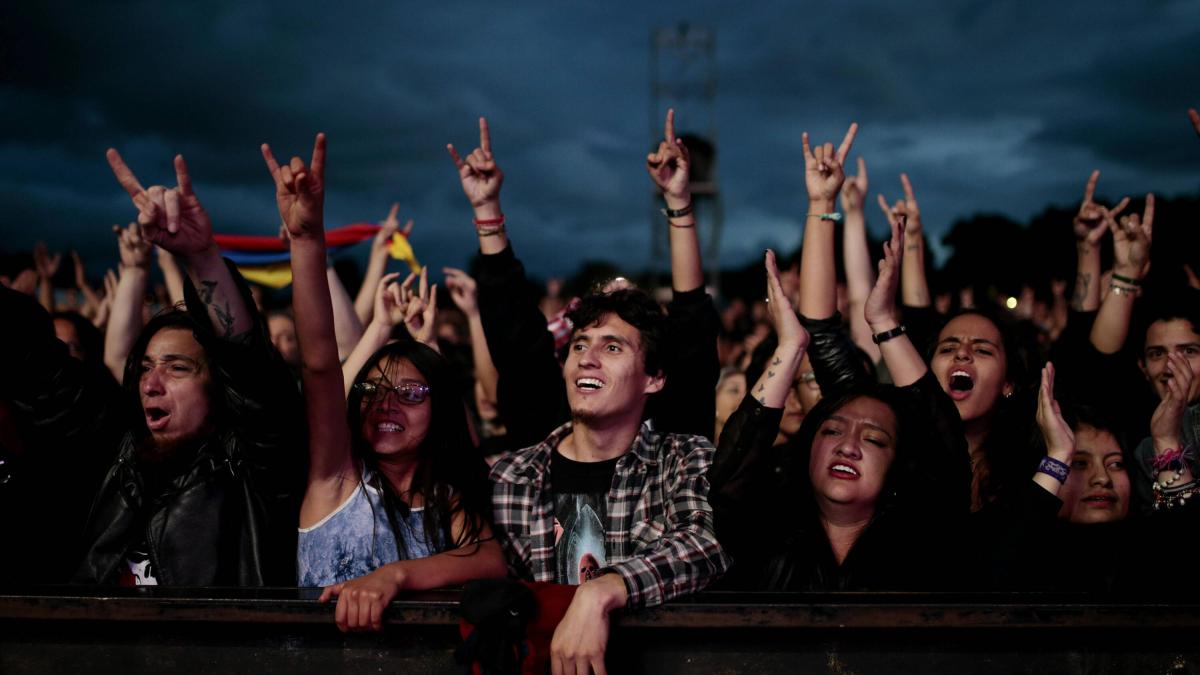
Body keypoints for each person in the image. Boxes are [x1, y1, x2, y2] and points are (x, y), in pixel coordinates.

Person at [1, 149, 304, 586]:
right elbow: (42, 373)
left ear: (216, 387)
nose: (152, 383)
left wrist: (202, 259)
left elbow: (248, 366)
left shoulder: (252, 469)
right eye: (144, 368)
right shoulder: (114, 457)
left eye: (177, 368)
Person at [259, 134, 505, 632]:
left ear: (440, 411)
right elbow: (321, 364)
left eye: (411, 394)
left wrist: (395, 576)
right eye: (372, 391)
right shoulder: (337, 478)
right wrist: (307, 241)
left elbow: (490, 561)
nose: (386, 404)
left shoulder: (445, 501)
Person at [489, 285, 729, 675]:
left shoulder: (683, 460)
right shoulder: (510, 477)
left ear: (654, 378)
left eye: (612, 348)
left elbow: (708, 541)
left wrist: (603, 590)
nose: (587, 360)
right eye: (579, 346)